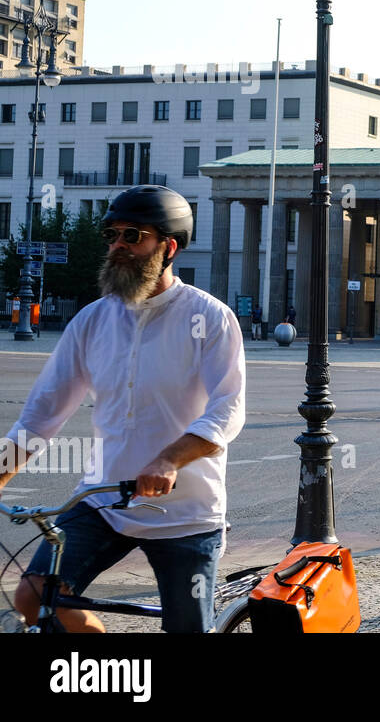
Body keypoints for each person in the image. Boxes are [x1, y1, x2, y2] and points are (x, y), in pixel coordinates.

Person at [0, 184, 245, 633]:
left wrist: (169, 459)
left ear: (168, 247)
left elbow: (228, 410)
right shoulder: (92, 321)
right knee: (34, 596)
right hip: (103, 501)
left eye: (133, 236)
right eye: (111, 234)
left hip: (186, 514)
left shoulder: (209, 318)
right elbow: (39, 417)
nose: (117, 246)